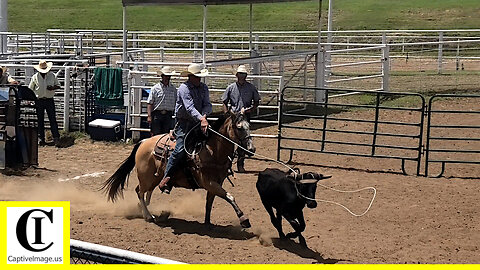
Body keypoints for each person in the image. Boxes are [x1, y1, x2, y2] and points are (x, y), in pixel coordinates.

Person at [159, 63, 212, 194]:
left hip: (199, 121)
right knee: (180, 150)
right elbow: (189, 107)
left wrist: (203, 116)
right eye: (197, 77)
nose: (199, 79)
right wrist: (202, 119)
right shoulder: (184, 88)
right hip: (184, 123)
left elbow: (208, 105)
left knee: (214, 142)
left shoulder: (204, 88)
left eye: (200, 77)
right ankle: (167, 177)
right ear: (191, 76)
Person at [222, 65, 260, 173]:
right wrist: (227, 114)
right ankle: (228, 164)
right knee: (229, 139)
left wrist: (251, 109)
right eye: (240, 74)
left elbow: (256, 101)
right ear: (237, 75)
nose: (241, 76)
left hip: (245, 115)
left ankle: (240, 164)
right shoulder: (231, 87)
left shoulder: (251, 88)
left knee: (243, 141)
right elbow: (224, 101)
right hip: (233, 116)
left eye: (243, 74)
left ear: (246, 76)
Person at [29, 60, 61, 146]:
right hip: (39, 100)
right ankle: (41, 138)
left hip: (49, 100)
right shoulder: (35, 77)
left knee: (52, 119)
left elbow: (58, 85)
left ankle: (55, 137)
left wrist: (53, 87)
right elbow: (31, 89)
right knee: (40, 120)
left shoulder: (52, 76)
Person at [147, 66, 178, 136]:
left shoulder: (173, 89)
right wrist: (149, 116)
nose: (168, 78)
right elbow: (150, 103)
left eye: (169, 76)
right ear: (162, 76)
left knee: (166, 134)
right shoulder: (155, 88)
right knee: (156, 134)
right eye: (166, 76)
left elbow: (176, 101)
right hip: (157, 114)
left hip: (168, 114)